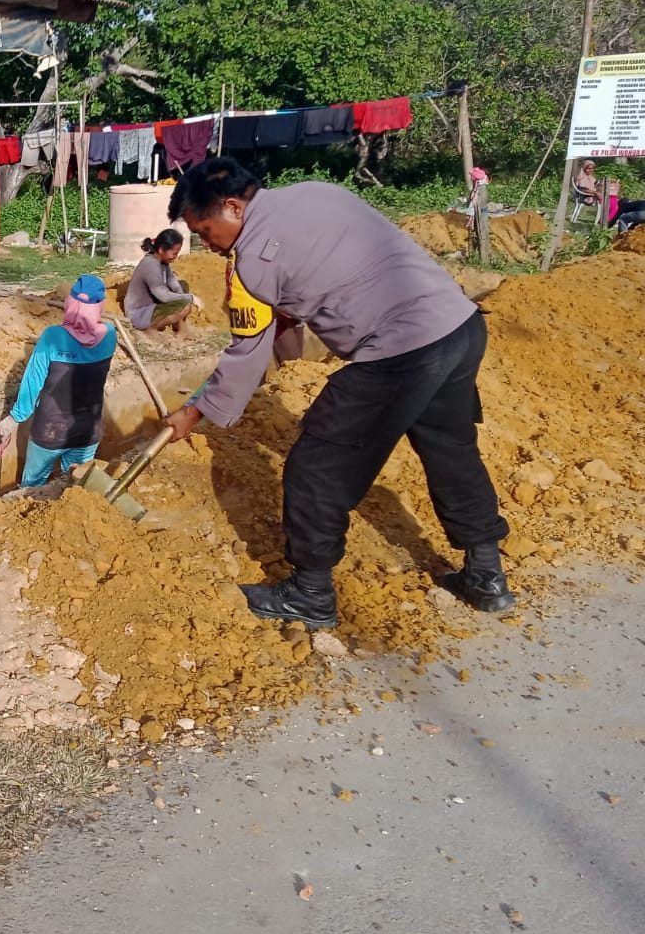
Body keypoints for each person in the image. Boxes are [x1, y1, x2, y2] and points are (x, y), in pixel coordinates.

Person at [160, 158, 514, 629]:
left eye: (205, 231)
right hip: (458, 327)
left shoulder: (254, 260)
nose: (209, 244)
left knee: (315, 469)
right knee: (451, 449)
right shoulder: (316, 191)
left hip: (401, 350)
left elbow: (247, 352)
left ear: (233, 207)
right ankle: (486, 574)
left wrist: (195, 410)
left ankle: (310, 594)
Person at [0, 274, 118, 487]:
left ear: (70, 303)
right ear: (99, 306)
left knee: (32, 488)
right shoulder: (111, 335)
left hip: (50, 432)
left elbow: (32, 383)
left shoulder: (53, 337)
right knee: (76, 486)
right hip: (88, 431)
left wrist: (12, 420)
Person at [124, 228, 195, 337]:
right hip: (139, 314)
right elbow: (163, 296)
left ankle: (181, 326)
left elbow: (174, 284)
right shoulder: (150, 265)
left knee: (183, 285)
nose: (175, 257)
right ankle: (150, 328)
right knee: (184, 306)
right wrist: (190, 298)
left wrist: (183, 296)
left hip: (153, 306)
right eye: (174, 253)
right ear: (161, 250)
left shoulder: (163, 262)